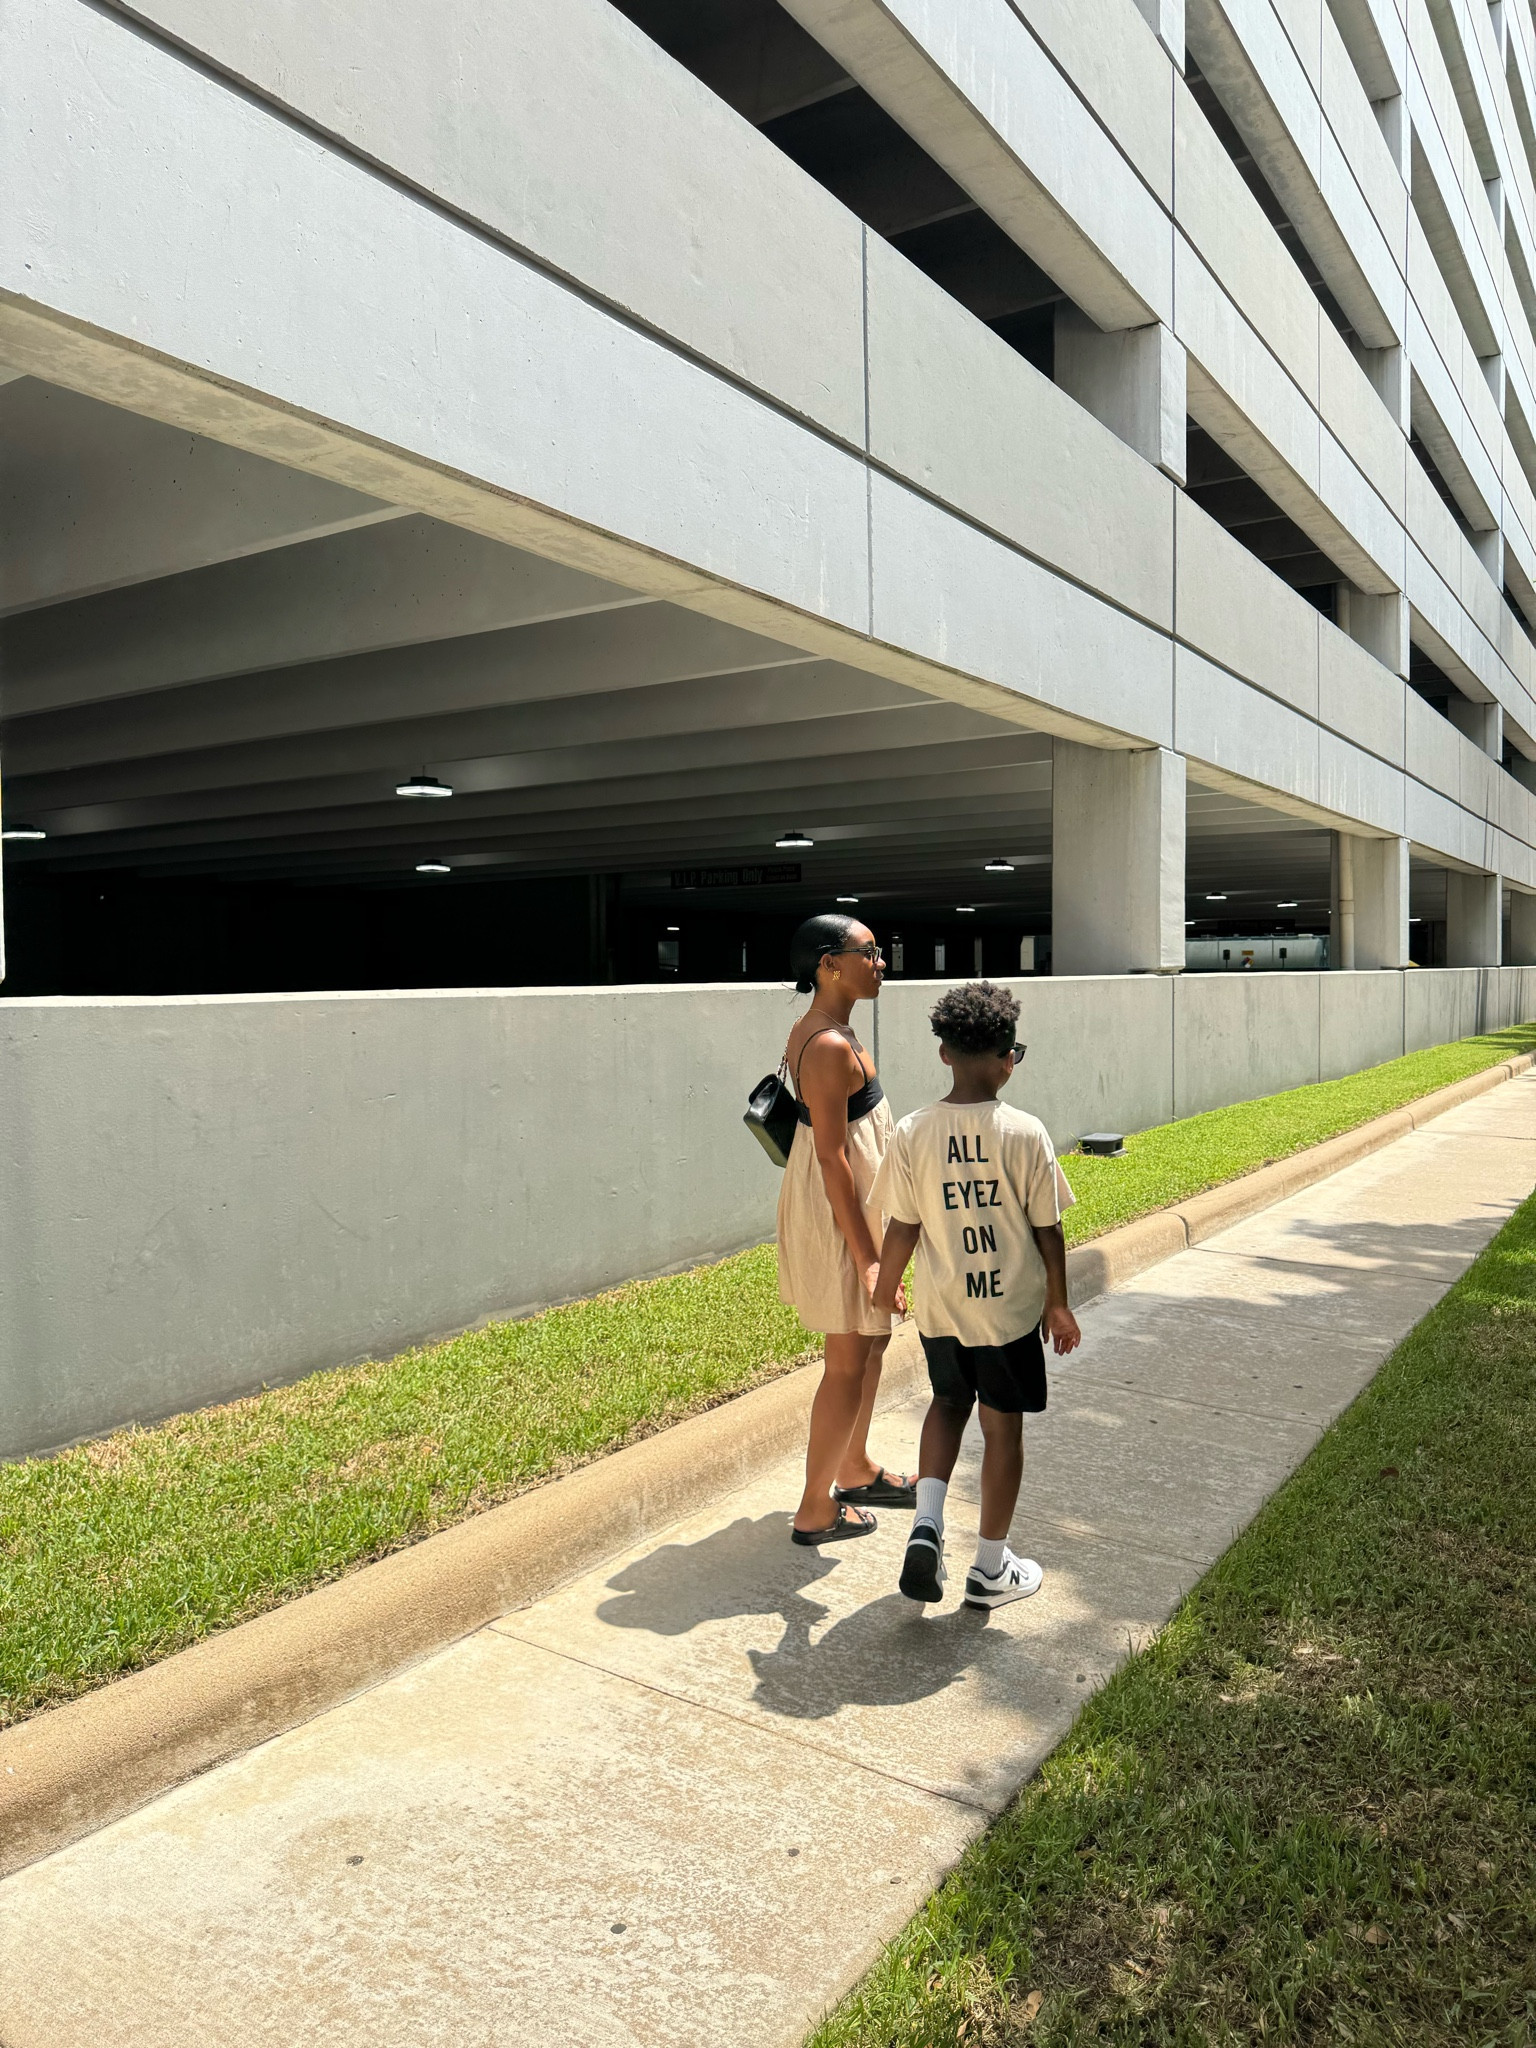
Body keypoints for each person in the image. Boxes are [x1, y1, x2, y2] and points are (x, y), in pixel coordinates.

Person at [870, 980, 1080, 1608]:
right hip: (1007, 1315)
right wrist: (1059, 1304)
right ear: (1007, 1059)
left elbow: (902, 1225)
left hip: (942, 1309)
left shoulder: (911, 1131)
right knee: (1003, 1430)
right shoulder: (1024, 1132)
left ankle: (928, 1524)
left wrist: (884, 1289)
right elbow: (1049, 1230)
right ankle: (990, 1568)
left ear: (944, 1054)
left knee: (947, 1403)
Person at [777, 913, 917, 1545]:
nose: (880, 962)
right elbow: (832, 1159)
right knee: (845, 1360)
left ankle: (854, 1467)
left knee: (872, 1342)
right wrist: (867, 1259)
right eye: (869, 953)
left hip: (862, 1204)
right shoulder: (828, 1044)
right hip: (845, 1215)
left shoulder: (837, 1029)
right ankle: (813, 1507)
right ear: (828, 965)